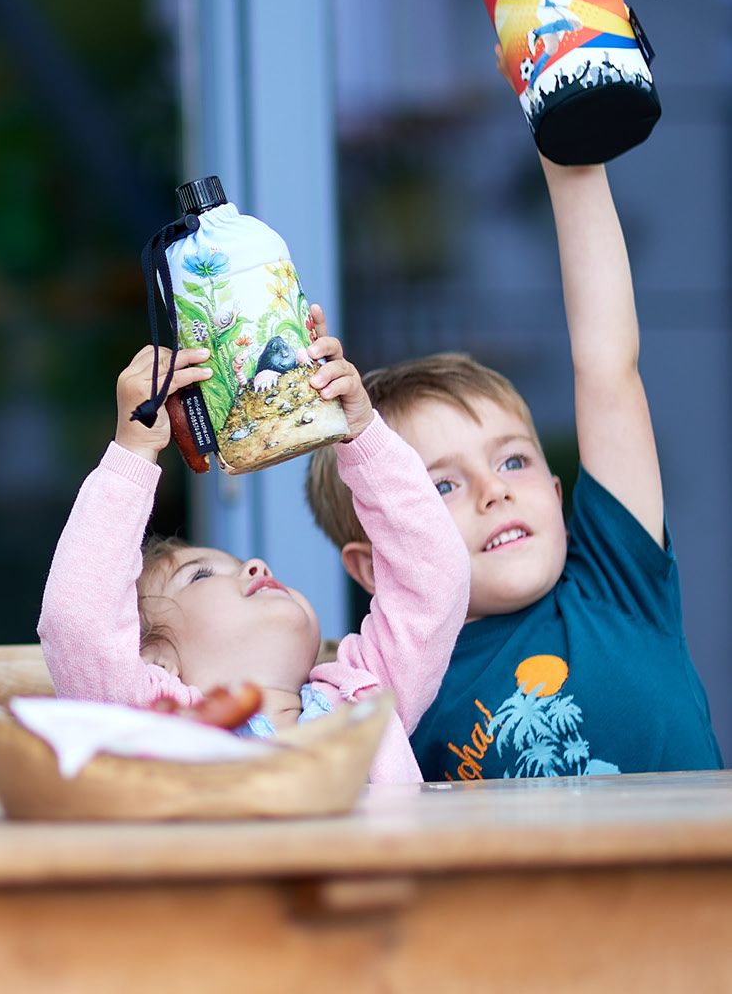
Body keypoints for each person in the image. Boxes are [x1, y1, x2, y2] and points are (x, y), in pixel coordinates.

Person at [306, 159, 722, 780]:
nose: (494, 490)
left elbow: (608, 365)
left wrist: (570, 160)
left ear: (556, 496)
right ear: (375, 565)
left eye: (513, 460)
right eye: (442, 484)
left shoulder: (618, 579)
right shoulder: (387, 701)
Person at [39, 312, 468, 782]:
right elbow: (78, 622)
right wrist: (133, 453)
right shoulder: (158, 729)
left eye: (242, 562)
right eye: (201, 574)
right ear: (159, 662)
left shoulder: (367, 696)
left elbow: (435, 578)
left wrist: (363, 434)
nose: (255, 566)